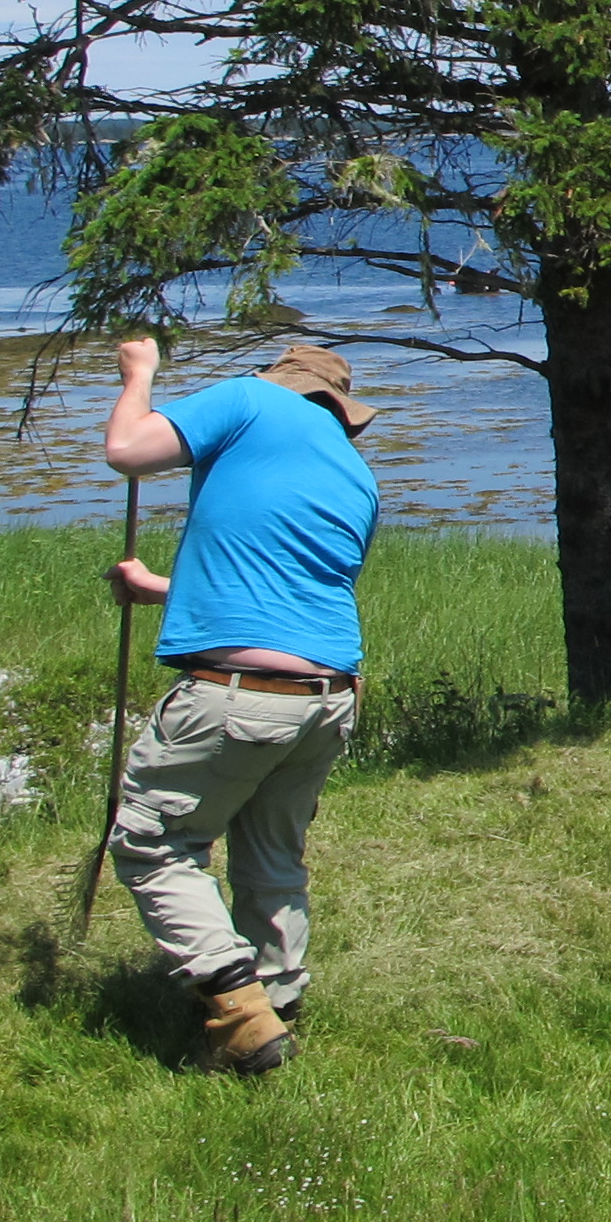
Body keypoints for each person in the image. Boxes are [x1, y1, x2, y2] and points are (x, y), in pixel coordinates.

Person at [95, 336, 381, 1075]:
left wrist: (139, 376)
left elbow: (128, 450)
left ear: (278, 381)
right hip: (328, 696)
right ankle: (279, 1005)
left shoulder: (248, 399)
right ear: (341, 411)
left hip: (240, 695)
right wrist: (164, 589)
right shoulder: (356, 474)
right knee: (271, 854)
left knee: (152, 842)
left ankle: (236, 1007)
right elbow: (285, 585)